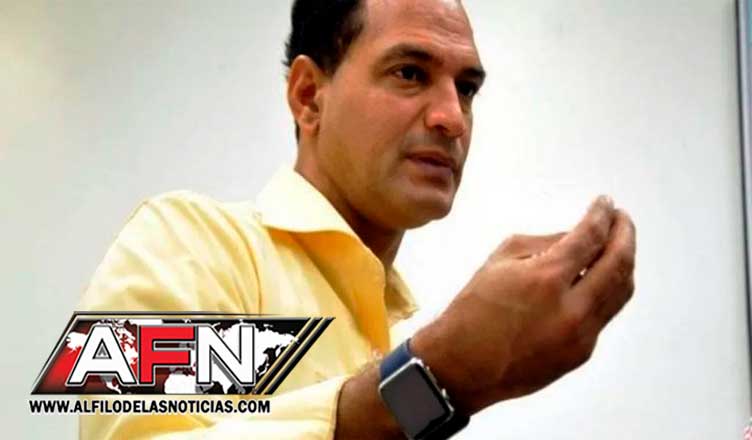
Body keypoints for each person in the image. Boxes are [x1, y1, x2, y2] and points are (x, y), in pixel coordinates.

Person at [78, 0, 636, 438]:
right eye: (410, 72)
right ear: (309, 97)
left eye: (466, 88)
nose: (453, 118)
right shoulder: (189, 245)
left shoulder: (396, 334)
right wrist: (439, 373)